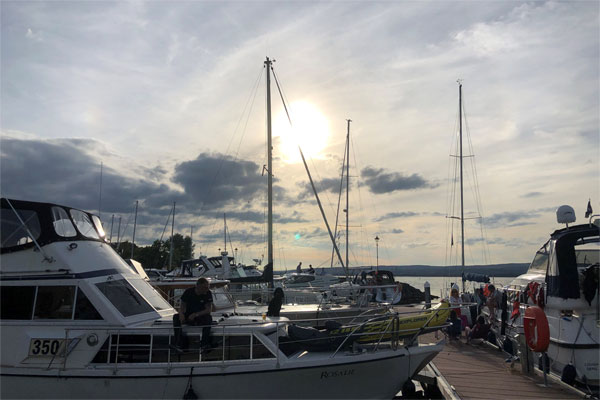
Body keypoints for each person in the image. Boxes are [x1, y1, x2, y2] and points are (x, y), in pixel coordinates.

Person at [173, 278, 216, 350]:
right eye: (204, 288)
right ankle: (179, 343)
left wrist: (196, 314)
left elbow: (208, 310)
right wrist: (181, 314)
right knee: (176, 317)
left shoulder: (208, 293)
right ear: (198, 286)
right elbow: (182, 306)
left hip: (200, 315)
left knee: (208, 318)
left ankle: (204, 343)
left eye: (208, 287)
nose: (206, 289)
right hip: (188, 314)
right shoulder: (188, 292)